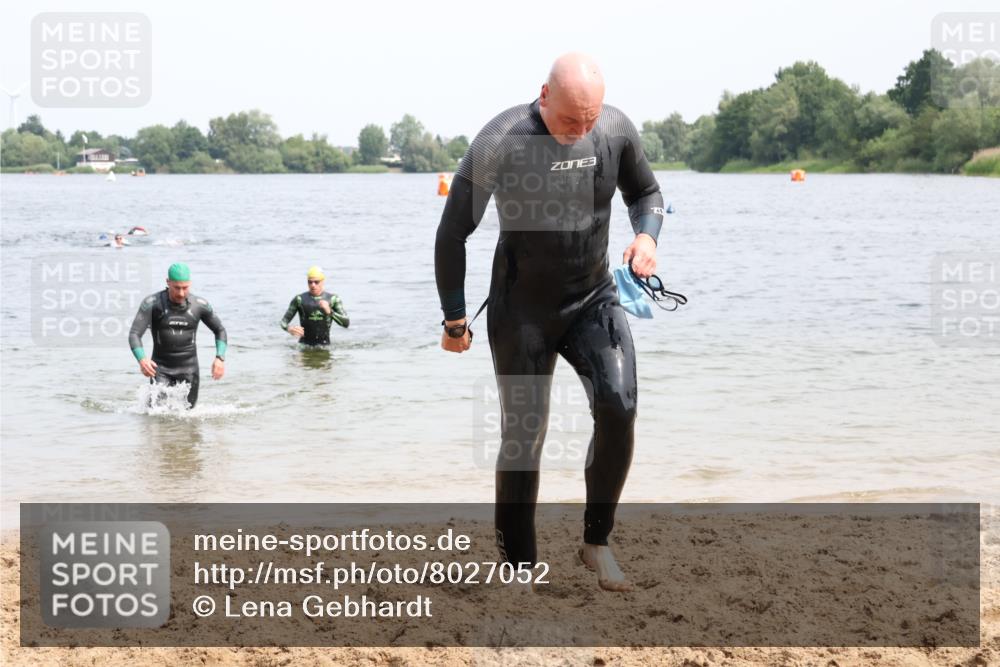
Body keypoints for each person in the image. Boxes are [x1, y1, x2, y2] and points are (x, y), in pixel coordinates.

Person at [434, 52, 665, 591]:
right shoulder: (504, 139)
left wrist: (647, 236)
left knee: (619, 406)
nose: (580, 129)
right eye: (569, 120)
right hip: (522, 309)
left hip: (593, 300)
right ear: (543, 96)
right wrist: (453, 319)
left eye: (589, 118)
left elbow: (647, 193)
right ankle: (517, 564)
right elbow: (452, 234)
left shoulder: (614, 129)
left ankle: (596, 542)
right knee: (524, 434)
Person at [128, 263, 227, 408]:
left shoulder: (199, 305)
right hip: (161, 369)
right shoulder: (152, 304)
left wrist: (220, 358)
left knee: (188, 418)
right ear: (168, 282)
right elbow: (135, 334)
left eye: (185, 288)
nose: (181, 293)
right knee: (156, 415)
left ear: (190, 284)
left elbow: (220, 330)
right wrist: (142, 360)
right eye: (177, 288)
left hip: (189, 370)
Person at [280, 266, 349, 346]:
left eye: (316, 282)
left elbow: (346, 323)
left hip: (324, 347)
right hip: (304, 346)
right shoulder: (299, 299)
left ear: (322, 282)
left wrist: (330, 312)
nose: (313, 285)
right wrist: (289, 329)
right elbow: (283, 322)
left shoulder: (333, 299)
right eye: (310, 282)